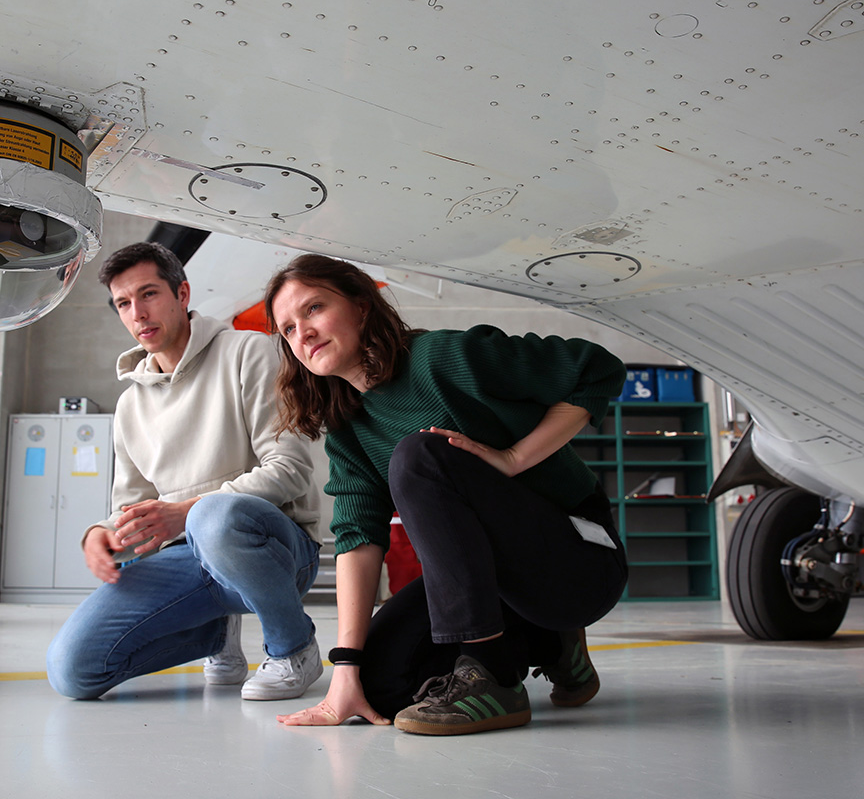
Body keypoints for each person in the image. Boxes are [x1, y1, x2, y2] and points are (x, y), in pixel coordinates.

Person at [264, 255, 628, 735]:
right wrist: (345, 672)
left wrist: (514, 458)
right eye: (288, 329)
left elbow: (597, 369)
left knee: (420, 456)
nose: (302, 333)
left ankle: (494, 675)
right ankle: (554, 646)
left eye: (313, 309)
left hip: (581, 558)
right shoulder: (349, 428)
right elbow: (358, 538)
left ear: (360, 305)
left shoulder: (443, 358)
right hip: (493, 580)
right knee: (381, 689)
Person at [46, 242, 324, 701]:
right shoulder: (130, 404)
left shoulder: (249, 352)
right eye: (123, 303)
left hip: (278, 550)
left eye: (149, 294)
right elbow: (131, 507)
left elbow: (290, 468)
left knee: (213, 518)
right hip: (189, 559)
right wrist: (102, 533)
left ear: (182, 293)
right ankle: (214, 636)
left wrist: (187, 512)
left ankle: (293, 648)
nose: (138, 313)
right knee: (74, 671)